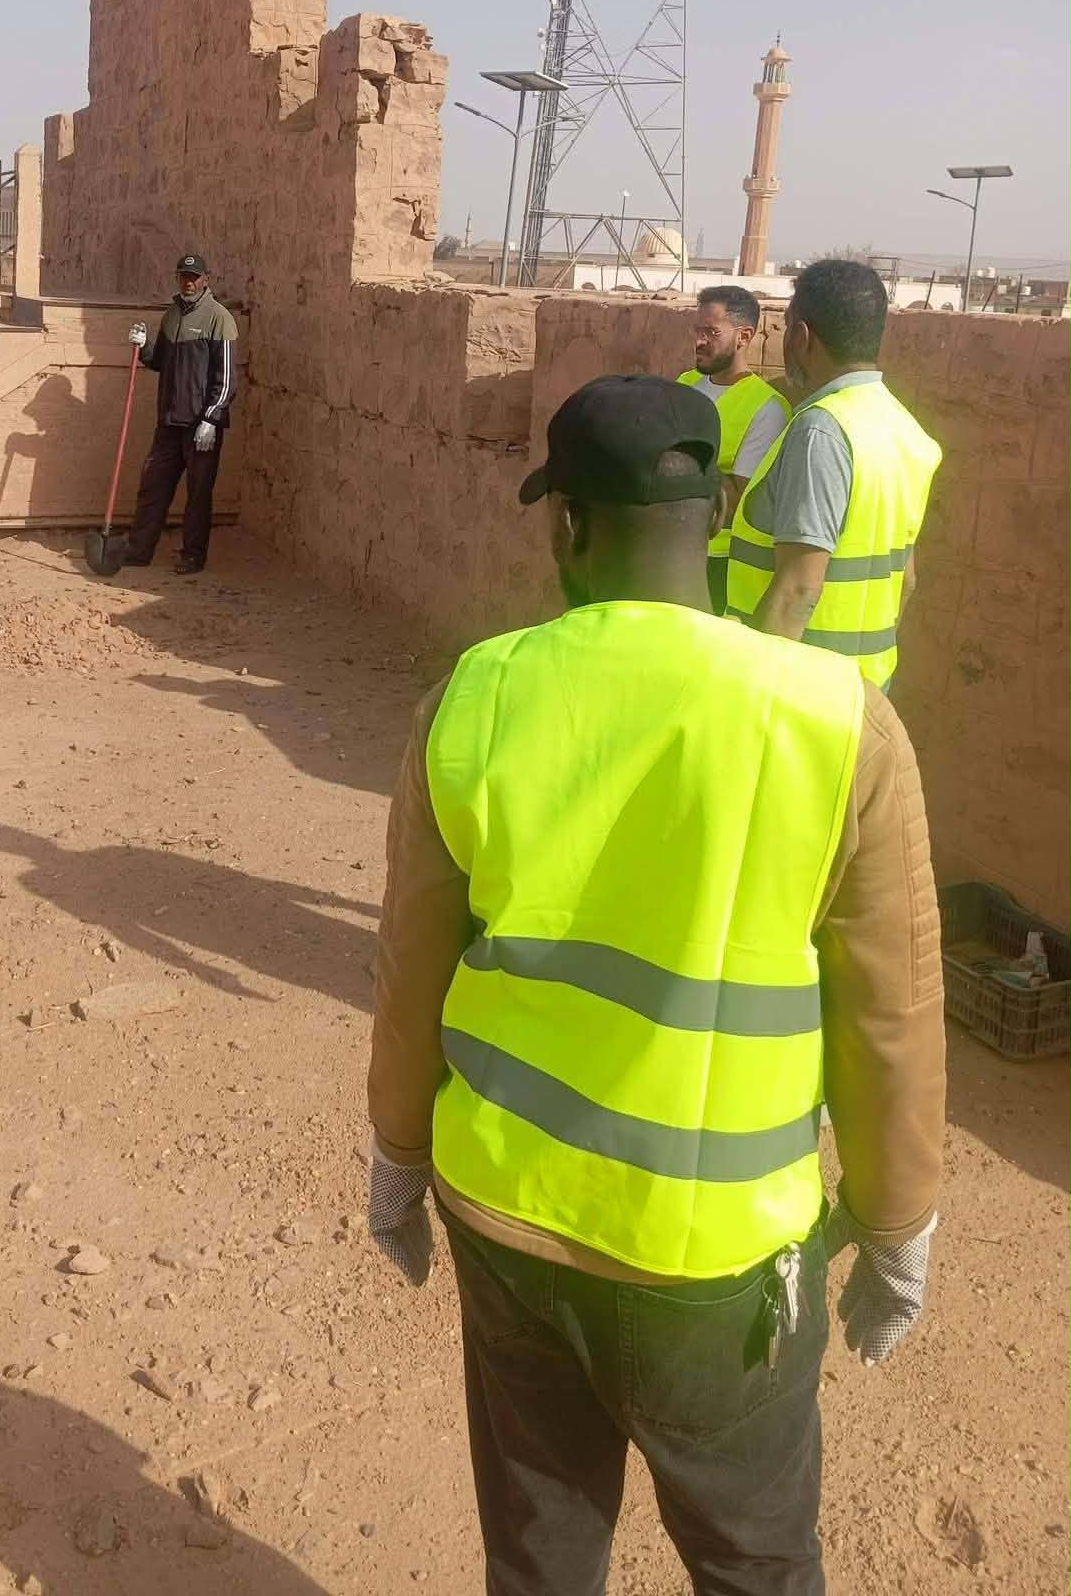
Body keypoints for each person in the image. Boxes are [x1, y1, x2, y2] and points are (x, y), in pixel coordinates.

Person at [368, 373, 944, 1596]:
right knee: (757, 1564)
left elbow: (413, 964)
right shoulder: (835, 723)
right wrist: (897, 1222)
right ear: (722, 514)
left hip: (509, 1217)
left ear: (567, 524)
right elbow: (890, 1014)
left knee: (540, 1549)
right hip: (720, 1265)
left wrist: (397, 1151)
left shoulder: (473, 696)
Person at [727, 259, 941, 690]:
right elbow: (907, 581)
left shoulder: (821, 430)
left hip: (802, 690)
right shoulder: (905, 429)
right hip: (866, 686)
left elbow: (799, 590)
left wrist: (751, 695)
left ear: (801, 337)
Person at [122, 252, 237, 575]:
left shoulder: (220, 318)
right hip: (170, 422)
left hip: (201, 427)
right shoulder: (171, 316)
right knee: (152, 486)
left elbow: (227, 379)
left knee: (198, 494)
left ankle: (192, 556)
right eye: (184, 277)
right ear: (178, 278)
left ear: (205, 280)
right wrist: (143, 347)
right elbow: (160, 361)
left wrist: (211, 419)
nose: (189, 282)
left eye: (195, 277)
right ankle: (138, 550)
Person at [678, 285, 789, 613]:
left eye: (712, 332)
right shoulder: (683, 384)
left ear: (744, 337)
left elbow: (738, 500)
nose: (700, 341)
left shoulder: (766, 408)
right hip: (672, 550)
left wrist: (675, 459)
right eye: (698, 331)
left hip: (720, 563)